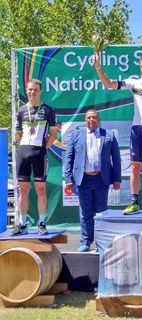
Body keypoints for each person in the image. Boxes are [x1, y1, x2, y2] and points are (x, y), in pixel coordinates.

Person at [94, 51, 142, 216]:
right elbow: (109, 84)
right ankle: (134, 202)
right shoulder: (135, 84)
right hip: (137, 129)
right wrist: (98, 67)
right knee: (135, 167)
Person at [64, 109, 121, 252]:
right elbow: (68, 158)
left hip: (102, 179)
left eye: (94, 117)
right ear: (85, 120)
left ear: (99, 119)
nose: (91, 120)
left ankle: (102, 243)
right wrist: (68, 178)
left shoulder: (109, 135)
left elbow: (116, 159)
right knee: (85, 213)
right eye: (89, 118)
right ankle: (86, 242)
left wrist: (117, 179)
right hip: (83, 179)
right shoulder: (76, 135)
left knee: (101, 213)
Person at [12, 79, 57, 236]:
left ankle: (42, 223)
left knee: (40, 189)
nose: (32, 92)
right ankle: (23, 224)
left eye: (35, 90)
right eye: (29, 89)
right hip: (22, 152)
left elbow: (53, 134)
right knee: (23, 190)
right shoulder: (21, 111)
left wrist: (43, 148)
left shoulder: (48, 110)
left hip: (39, 152)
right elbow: (18, 133)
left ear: (40, 91)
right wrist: (16, 141)